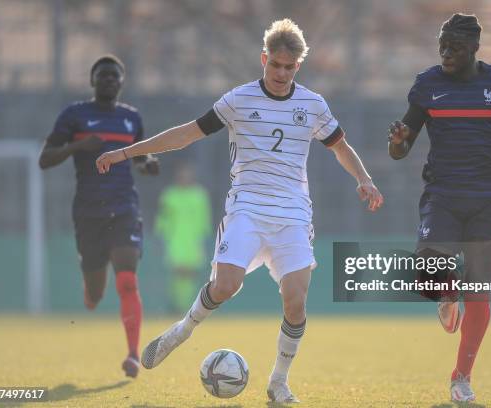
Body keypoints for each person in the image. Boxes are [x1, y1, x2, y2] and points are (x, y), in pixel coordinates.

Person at [97, 19, 383, 403]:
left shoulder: (313, 105)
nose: (281, 73)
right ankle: (182, 330)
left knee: (296, 301)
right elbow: (187, 132)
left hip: (293, 215)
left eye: (289, 67)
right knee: (226, 285)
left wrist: (363, 178)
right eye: (275, 65)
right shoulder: (239, 100)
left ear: (299, 65)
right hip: (247, 209)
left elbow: (340, 147)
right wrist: (127, 151)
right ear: (264, 58)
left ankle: (278, 382)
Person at [387, 14, 491, 402]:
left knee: (479, 290)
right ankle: (446, 299)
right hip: (443, 195)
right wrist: (397, 142)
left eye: (455, 47)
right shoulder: (427, 84)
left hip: (490, 197)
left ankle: (461, 377)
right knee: (428, 275)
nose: (446, 53)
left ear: (475, 48)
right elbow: (400, 149)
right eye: (442, 46)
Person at [38, 54, 159, 378]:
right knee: (96, 293)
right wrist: (77, 147)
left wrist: (146, 164)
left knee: (127, 279)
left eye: (114, 76)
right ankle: (91, 288)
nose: (108, 80)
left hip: (124, 208)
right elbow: (45, 159)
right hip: (88, 211)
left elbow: (138, 156)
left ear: (121, 83)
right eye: (102, 75)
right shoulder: (74, 115)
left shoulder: (131, 119)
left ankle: (133, 355)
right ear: (92, 81)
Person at [154, 162, 212, 313]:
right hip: (175, 239)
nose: (184, 178)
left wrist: (204, 237)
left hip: (193, 239)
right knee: (177, 272)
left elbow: (204, 218)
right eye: (181, 175)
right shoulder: (169, 195)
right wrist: (161, 234)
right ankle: (177, 305)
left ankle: (189, 306)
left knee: (191, 273)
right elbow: (163, 218)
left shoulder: (199, 194)